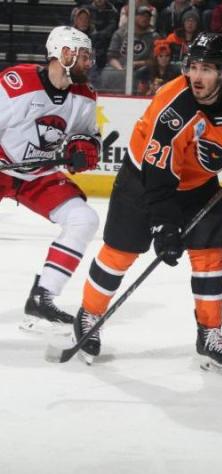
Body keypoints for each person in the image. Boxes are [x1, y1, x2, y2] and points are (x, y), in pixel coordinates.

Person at [73, 33, 222, 371]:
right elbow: (159, 179)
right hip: (143, 179)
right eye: (192, 67)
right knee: (121, 252)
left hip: (199, 182)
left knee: (210, 255)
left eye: (207, 69)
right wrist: (165, 226)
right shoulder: (173, 109)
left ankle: (209, 333)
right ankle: (89, 314)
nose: (196, 76)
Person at [0, 26, 101, 334]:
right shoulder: (16, 83)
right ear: (62, 54)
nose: (88, 62)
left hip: (38, 176)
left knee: (83, 220)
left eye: (88, 56)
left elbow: (89, 136)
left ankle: (43, 296)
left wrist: (82, 148)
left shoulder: (84, 95)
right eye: (82, 55)